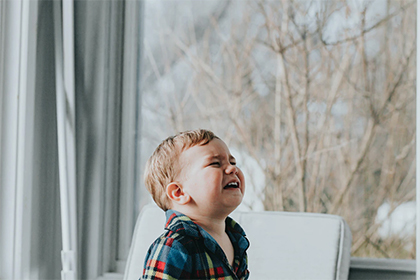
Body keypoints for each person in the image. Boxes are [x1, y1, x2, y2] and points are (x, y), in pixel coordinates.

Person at [141, 129, 250, 280]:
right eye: (215, 163)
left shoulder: (236, 240)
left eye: (232, 162)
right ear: (179, 192)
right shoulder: (174, 245)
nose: (233, 168)